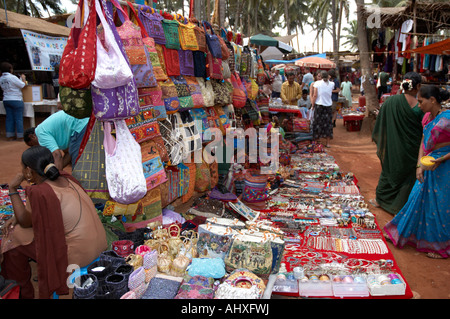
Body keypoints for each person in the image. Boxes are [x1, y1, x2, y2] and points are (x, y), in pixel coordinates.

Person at [0, 146, 107, 298]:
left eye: (23, 168)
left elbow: (25, 221)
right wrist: (16, 217)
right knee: (19, 232)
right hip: (98, 246)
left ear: (29, 171)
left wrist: (12, 188)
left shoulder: (40, 192)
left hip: (76, 257)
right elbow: (33, 216)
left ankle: (23, 293)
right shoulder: (65, 178)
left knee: (13, 237)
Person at [384, 85, 450, 259]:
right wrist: (419, 164)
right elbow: (423, 140)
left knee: (439, 206)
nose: (419, 105)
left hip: (443, 167)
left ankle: (439, 247)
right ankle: (400, 232)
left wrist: (439, 160)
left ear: (433, 100)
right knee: (416, 198)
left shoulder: (448, 119)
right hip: (427, 164)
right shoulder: (427, 117)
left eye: (421, 101)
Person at [371, 72, 424, 215]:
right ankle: (399, 206)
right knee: (408, 177)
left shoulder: (390, 102)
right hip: (412, 150)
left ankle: (380, 200)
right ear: (418, 86)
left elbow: (381, 123)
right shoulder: (420, 107)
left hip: (393, 147)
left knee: (389, 170)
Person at [23, 108, 89, 170]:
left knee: (78, 166)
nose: (36, 147)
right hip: (84, 122)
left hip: (80, 126)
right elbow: (68, 153)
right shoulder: (48, 131)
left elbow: (57, 155)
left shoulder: (40, 134)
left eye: (32, 145)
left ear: (32, 136)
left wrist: (56, 178)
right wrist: (54, 170)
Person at [0, 62, 27, 141]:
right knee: (18, 118)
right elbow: (22, 85)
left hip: (6, 99)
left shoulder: (1, 78)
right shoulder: (12, 77)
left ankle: (10, 135)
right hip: (16, 99)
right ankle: (20, 136)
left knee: (9, 118)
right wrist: (23, 78)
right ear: (10, 69)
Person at [311, 70, 335, 148]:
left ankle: (317, 141)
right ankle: (328, 143)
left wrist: (313, 104)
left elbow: (315, 95)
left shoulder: (317, 83)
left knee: (317, 123)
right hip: (328, 106)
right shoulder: (332, 84)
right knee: (328, 124)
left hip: (319, 105)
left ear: (320, 76)